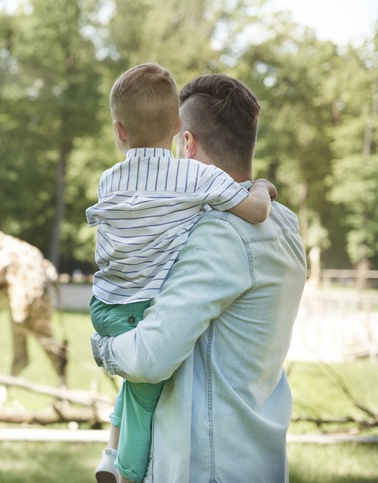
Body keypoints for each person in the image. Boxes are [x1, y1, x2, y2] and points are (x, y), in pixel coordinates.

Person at [91, 73, 307, 482]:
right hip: (257, 454)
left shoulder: (218, 235)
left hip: (205, 464)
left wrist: (103, 348)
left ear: (185, 142)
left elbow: (151, 356)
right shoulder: (287, 224)